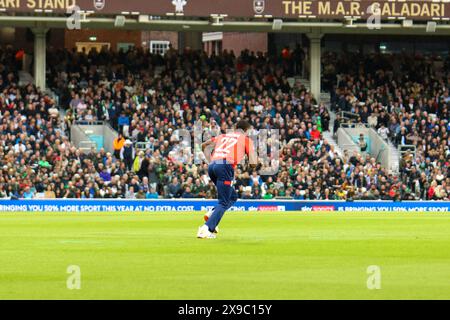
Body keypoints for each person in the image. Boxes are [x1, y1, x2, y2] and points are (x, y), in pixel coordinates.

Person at [197, 120, 256, 239]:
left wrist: (211, 160)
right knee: (224, 202)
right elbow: (253, 164)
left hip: (213, 166)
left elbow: (204, 145)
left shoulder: (223, 136)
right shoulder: (245, 140)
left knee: (232, 196)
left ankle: (212, 213)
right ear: (245, 131)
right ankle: (206, 229)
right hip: (225, 167)